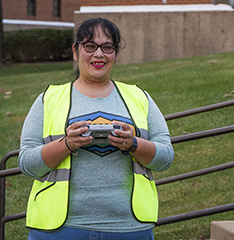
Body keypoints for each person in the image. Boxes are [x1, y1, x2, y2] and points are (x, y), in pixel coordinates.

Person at [19, 17, 174, 240]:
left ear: (116, 54)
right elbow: (27, 165)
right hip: (59, 230)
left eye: (107, 47)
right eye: (90, 46)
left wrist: (133, 144)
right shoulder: (49, 99)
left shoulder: (139, 97)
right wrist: (67, 144)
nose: (98, 54)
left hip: (129, 229)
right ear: (75, 51)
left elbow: (165, 158)